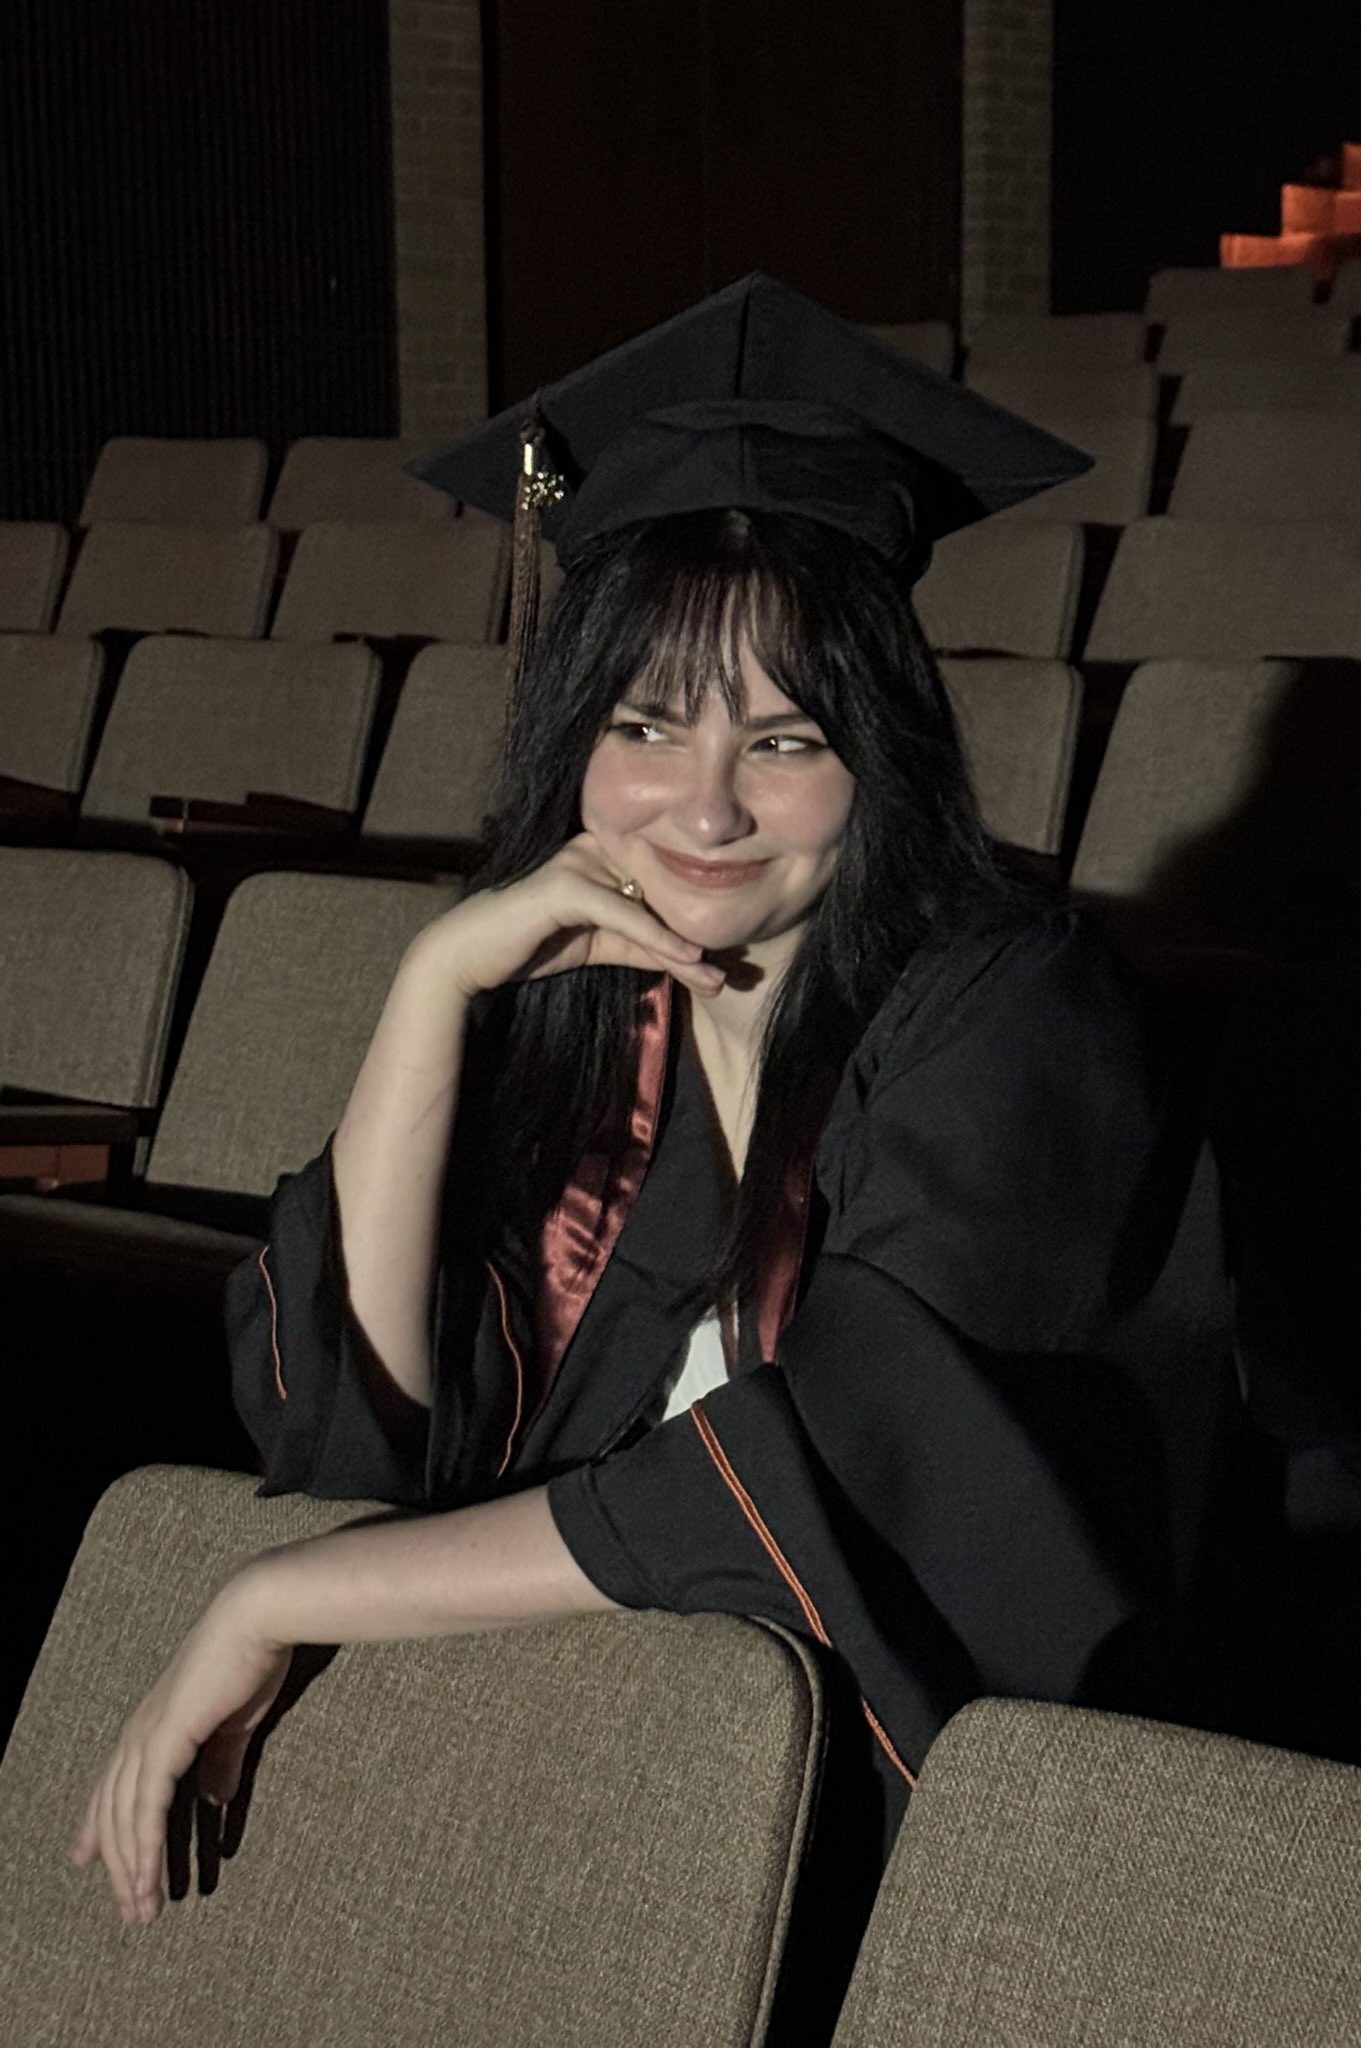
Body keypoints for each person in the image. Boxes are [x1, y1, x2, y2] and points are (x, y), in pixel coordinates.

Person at [73, 275, 1261, 1926]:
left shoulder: (1015, 1013)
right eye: (646, 725)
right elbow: (363, 1433)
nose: (704, 810)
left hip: (964, 1843)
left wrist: (281, 1598)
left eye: (784, 741)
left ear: (881, 756)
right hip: (648, 1771)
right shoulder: (605, 1014)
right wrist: (429, 993)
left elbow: (855, 1480)